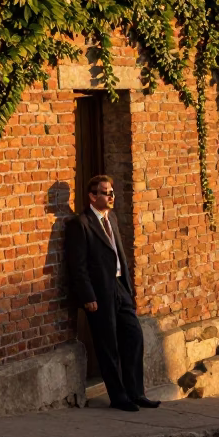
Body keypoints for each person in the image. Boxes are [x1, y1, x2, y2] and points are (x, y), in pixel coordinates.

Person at [64, 174, 160, 412]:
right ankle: (118, 397)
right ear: (92, 196)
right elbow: (78, 265)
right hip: (99, 292)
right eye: (106, 192)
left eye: (112, 192)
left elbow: (119, 255)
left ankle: (136, 393)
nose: (110, 196)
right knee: (107, 345)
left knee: (134, 336)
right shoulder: (81, 224)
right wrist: (88, 296)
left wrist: (127, 287)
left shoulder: (112, 218)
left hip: (119, 287)